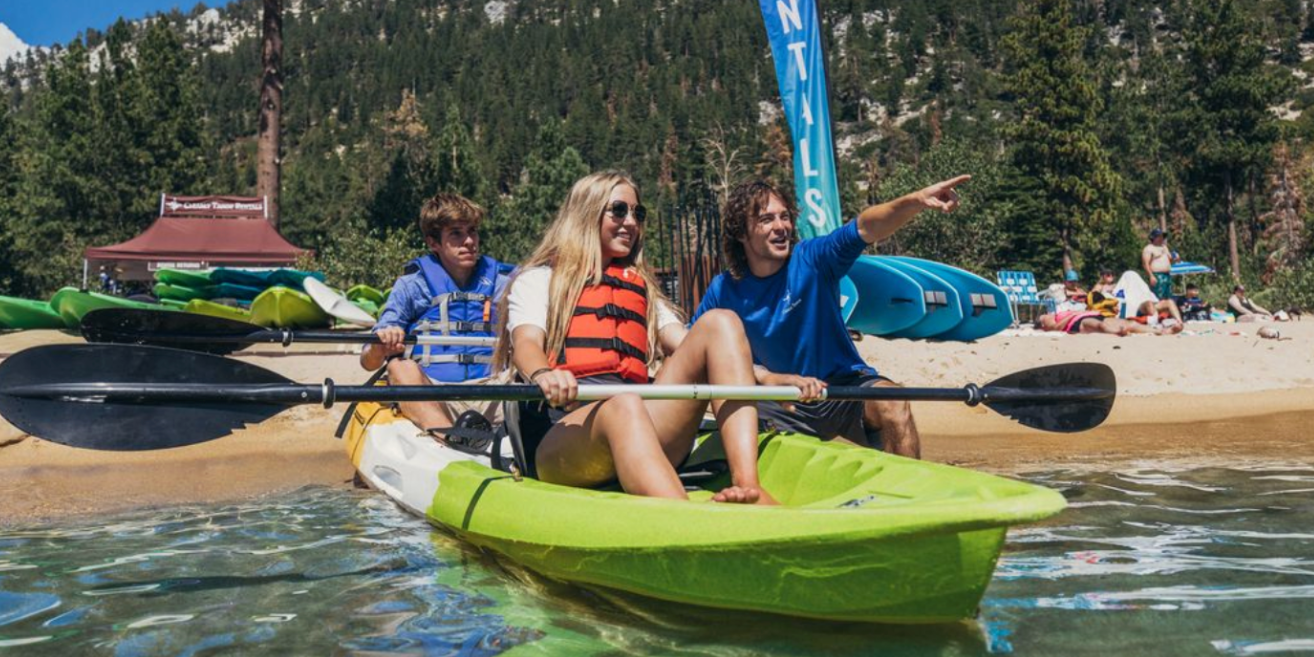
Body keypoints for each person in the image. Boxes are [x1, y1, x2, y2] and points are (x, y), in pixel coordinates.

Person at [498, 171, 771, 503]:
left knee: (721, 322)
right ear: (587, 211)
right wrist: (543, 374)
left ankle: (748, 486)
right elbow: (525, 344)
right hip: (565, 438)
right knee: (623, 404)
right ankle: (687, 519)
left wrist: (769, 376)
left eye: (638, 213)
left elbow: (696, 347)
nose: (631, 222)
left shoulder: (640, 289)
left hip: (640, 423)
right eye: (619, 210)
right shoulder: (540, 280)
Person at [694, 176, 971, 460]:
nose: (781, 227)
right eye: (766, 219)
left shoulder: (813, 259)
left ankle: (909, 493)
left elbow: (865, 227)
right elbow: (692, 349)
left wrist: (914, 201)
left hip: (841, 391)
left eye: (785, 217)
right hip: (778, 400)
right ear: (741, 233)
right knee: (731, 400)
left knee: (894, 401)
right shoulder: (724, 289)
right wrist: (765, 378)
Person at [362, 192, 514, 433]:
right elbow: (368, 362)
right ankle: (449, 437)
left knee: (532, 365)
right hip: (434, 393)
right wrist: (381, 344)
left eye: (472, 231)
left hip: (495, 390)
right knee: (399, 367)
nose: (469, 241)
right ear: (433, 243)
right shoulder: (413, 285)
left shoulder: (503, 284)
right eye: (456, 233)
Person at [1035, 309, 1178, 336]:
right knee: (1101, 326)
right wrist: (1074, 314)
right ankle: (1117, 332)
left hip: (1091, 315)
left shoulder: (1056, 313)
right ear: (1042, 325)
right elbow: (1056, 328)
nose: (1048, 314)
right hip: (1078, 321)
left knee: (1130, 323)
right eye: (1044, 316)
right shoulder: (1048, 322)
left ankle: (1161, 331)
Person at [1141, 227, 1174, 303]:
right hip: (1157, 275)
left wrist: (1175, 258)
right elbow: (1145, 263)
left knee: (1168, 296)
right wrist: (1151, 276)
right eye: (1159, 236)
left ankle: (1167, 313)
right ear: (1154, 237)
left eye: (1162, 236)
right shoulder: (1149, 248)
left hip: (1167, 275)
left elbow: (1170, 260)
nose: (1161, 238)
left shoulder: (1164, 247)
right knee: (1158, 296)